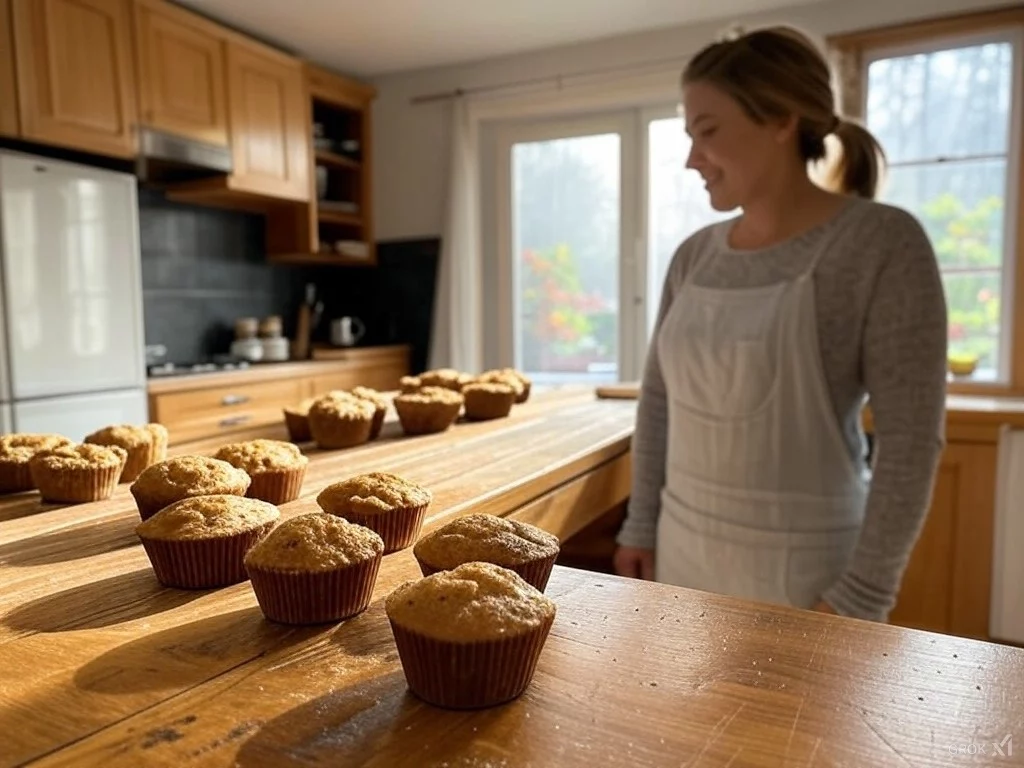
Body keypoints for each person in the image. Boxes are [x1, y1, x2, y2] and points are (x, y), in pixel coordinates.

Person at [612, 25, 948, 622]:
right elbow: (659, 400)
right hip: (683, 555)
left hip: (811, 577)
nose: (692, 159)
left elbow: (911, 441)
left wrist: (861, 595)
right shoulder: (694, 255)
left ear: (781, 119)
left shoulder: (880, 244)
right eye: (689, 136)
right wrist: (640, 523)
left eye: (707, 131)